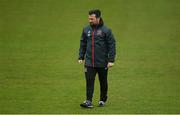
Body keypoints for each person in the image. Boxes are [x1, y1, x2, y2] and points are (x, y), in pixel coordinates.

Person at [78, 9, 116, 108]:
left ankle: (102, 99)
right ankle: (88, 101)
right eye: (89, 18)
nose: (90, 20)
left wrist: (111, 60)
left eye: (92, 18)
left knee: (103, 82)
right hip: (89, 62)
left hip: (102, 62)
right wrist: (81, 57)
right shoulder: (86, 29)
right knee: (89, 82)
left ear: (98, 18)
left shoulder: (106, 30)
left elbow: (112, 45)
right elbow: (83, 43)